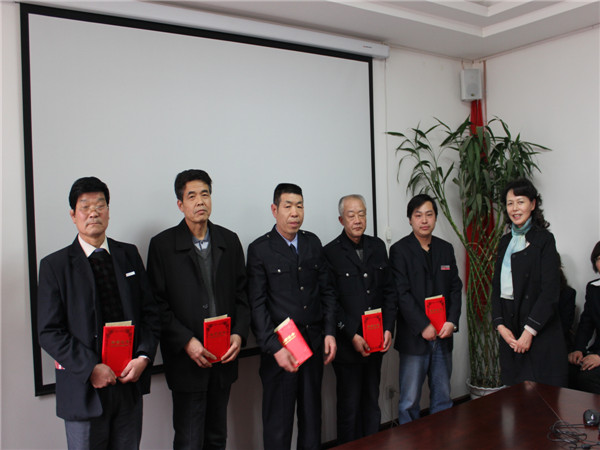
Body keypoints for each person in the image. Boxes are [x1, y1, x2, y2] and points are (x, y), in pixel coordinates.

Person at [37, 176, 160, 449]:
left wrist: (144, 356)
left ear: (108, 211)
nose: (93, 212)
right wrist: (91, 368)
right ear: (73, 215)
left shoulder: (129, 254)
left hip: (128, 383)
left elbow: (150, 313)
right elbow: (49, 332)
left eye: (100, 205)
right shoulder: (55, 266)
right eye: (85, 207)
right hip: (84, 389)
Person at [146, 169, 250, 450]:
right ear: (180, 204)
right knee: (189, 440)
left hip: (223, 358)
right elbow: (157, 305)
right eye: (191, 196)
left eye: (205, 194)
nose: (200, 201)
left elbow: (242, 295)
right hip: (187, 361)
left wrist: (239, 334)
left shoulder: (229, 240)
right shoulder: (162, 246)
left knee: (217, 437)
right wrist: (186, 342)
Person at [247, 183, 337, 450]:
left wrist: (330, 332)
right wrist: (274, 348)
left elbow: (327, 291)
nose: (294, 212)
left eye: (299, 206)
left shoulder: (312, 242)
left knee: (312, 419)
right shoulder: (260, 249)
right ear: (274, 209)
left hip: (313, 344)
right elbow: (257, 305)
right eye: (288, 206)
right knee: (278, 424)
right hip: (279, 351)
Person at [323, 194, 396, 444]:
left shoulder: (378, 247)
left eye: (362, 214)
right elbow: (330, 301)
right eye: (351, 215)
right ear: (341, 219)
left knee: (371, 403)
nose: (357, 220)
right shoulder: (330, 252)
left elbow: (389, 291)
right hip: (347, 346)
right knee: (349, 408)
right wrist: (352, 333)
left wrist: (388, 327)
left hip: (376, 343)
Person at [389, 193, 462, 424]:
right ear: (410, 219)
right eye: (418, 215)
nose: (424, 220)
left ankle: (442, 439)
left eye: (429, 214)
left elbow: (455, 288)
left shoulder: (446, 249)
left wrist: (452, 321)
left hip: (443, 334)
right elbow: (401, 294)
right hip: (415, 338)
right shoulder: (399, 250)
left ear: (435, 218)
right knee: (409, 401)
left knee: (443, 397)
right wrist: (423, 326)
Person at [491, 178, 567, 387]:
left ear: (533, 204)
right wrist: (500, 325)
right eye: (510, 203)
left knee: (540, 399)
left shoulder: (544, 240)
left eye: (520, 202)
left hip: (539, 331)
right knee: (513, 397)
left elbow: (550, 291)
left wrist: (529, 331)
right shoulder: (504, 242)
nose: (515, 208)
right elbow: (496, 288)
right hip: (510, 331)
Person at [568, 242, 600, 394]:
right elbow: (586, 322)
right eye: (598, 259)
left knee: (587, 378)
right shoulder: (593, 288)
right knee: (568, 370)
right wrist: (578, 349)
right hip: (596, 349)